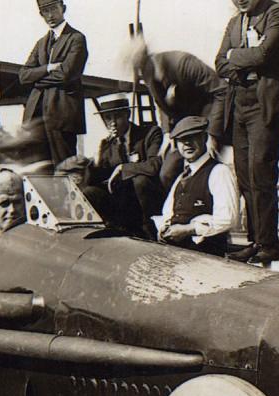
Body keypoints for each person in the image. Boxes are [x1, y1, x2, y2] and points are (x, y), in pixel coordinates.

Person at [217, 0, 279, 265]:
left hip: (264, 104)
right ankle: (255, 240)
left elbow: (264, 55)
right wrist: (244, 60)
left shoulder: (276, 12)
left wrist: (234, 56)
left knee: (261, 170)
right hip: (239, 104)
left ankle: (269, 244)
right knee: (245, 173)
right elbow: (218, 63)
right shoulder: (235, 22)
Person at [126, 37, 228, 190]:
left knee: (205, 171)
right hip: (184, 128)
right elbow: (161, 105)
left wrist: (212, 134)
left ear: (146, 57)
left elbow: (221, 90)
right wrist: (168, 133)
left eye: (140, 66)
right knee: (167, 174)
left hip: (209, 122)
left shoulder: (183, 63)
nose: (140, 73)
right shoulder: (148, 76)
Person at [19, 0, 88, 166]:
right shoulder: (41, 43)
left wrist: (37, 82)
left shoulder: (76, 38)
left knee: (65, 167)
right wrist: (48, 68)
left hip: (61, 115)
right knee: (39, 168)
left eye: (53, 9)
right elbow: (23, 75)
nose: (49, 15)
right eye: (44, 11)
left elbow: (66, 74)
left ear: (63, 9)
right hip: (36, 116)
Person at [158, 117, 238, 256]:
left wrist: (189, 229)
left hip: (205, 255)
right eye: (182, 140)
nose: (187, 143)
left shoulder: (219, 171)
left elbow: (227, 219)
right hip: (176, 252)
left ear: (204, 138)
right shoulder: (181, 177)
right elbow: (168, 212)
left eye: (192, 137)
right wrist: (164, 228)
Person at [92, 93, 165, 238]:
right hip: (121, 201)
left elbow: (153, 166)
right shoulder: (107, 144)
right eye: (108, 118)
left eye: (117, 116)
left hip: (144, 199)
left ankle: (150, 231)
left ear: (128, 114)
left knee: (140, 181)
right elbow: (98, 179)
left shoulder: (150, 133)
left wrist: (122, 168)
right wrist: (98, 157)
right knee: (90, 191)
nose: (112, 123)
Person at [55, 154, 112, 221]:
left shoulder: (90, 193)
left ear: (76, 178)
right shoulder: (71, 197)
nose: (57, 185)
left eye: (60, 181)